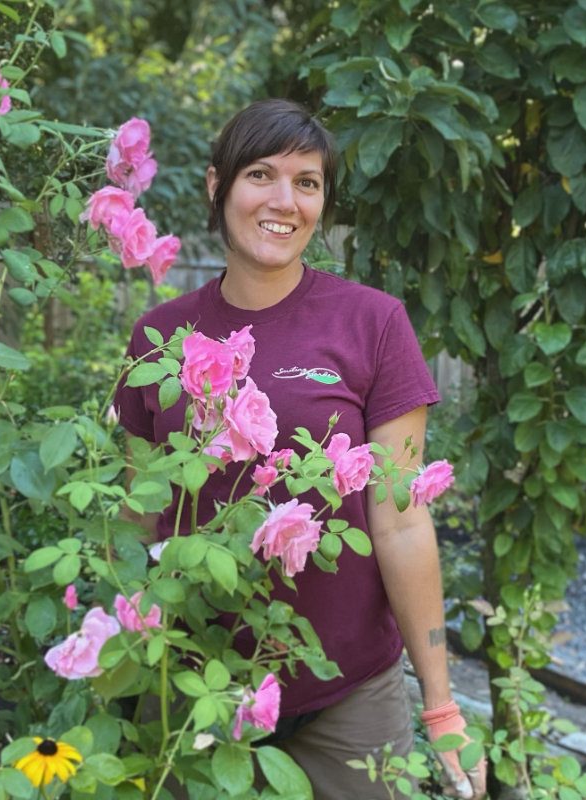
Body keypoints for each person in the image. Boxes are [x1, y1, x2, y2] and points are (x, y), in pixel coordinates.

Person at [114, 98, 486, 800]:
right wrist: (119, 655)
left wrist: (442, 708)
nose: (285, 201)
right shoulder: (159, 337)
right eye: (261, 174)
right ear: (217, 184)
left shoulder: (372, 323)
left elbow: (402, 520)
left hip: (347, 698)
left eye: (307, 182)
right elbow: (141, 514)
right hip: (194, 682)